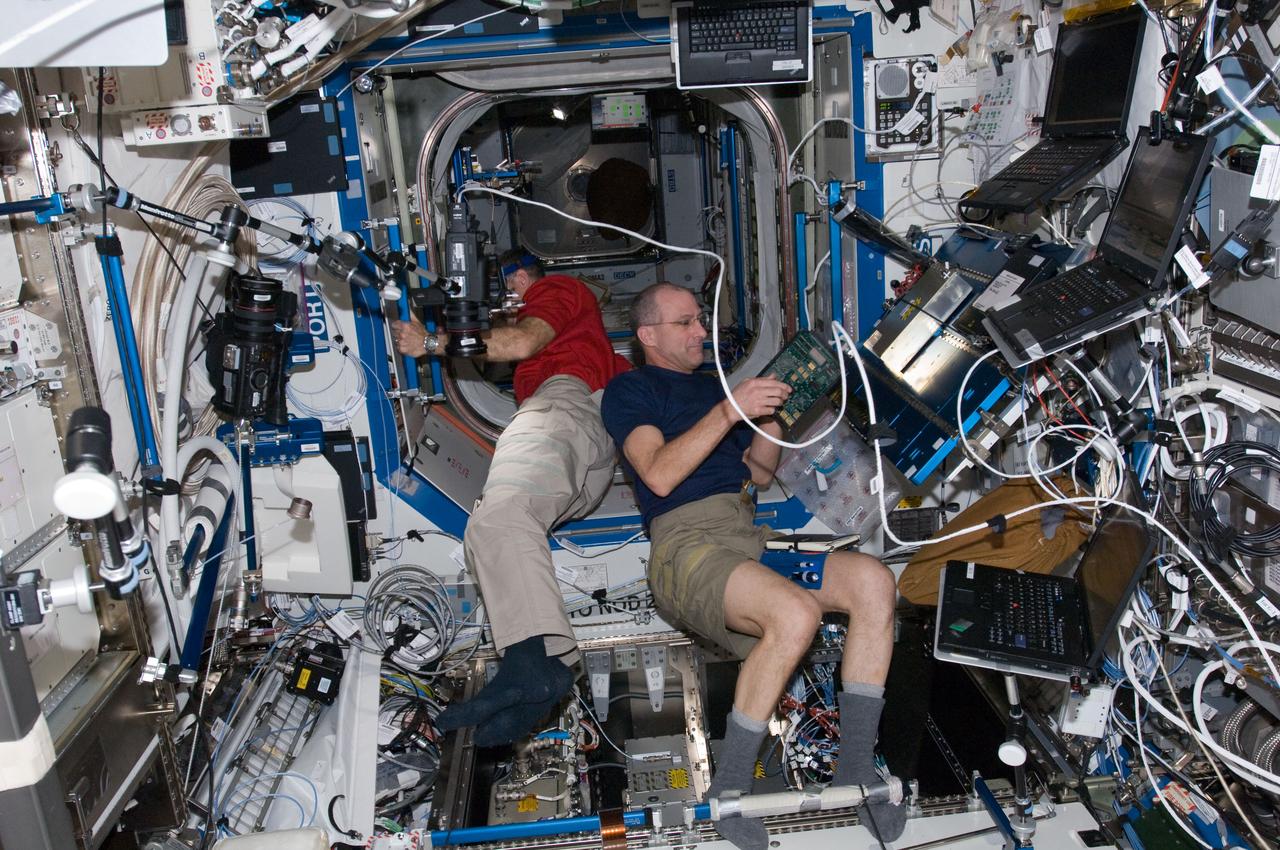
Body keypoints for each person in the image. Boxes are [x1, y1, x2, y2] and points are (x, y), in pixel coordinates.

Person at [600, 282, 905, 848]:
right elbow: (660, 474)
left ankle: (856, 768)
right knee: (794, 615)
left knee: (874, 582)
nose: (702, 332)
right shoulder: (630, 391)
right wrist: (729, 408)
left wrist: (779, 418)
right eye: (687, 323)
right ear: (648, 336)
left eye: (701, 321)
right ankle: (730, 793)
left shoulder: (718, 389)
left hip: (746, 535)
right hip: (686, 547)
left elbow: (759, 474)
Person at [391, 248, 631, 746]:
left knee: (498, 520)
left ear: (520, 276)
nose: (510, 301)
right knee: (490, 531)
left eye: (508, 288)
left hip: (561, 409)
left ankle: (531, 667)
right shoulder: (601, 353)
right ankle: (546, 664)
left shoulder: (557, 290)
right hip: (587, 453)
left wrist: (430, 342)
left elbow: (520, 342)